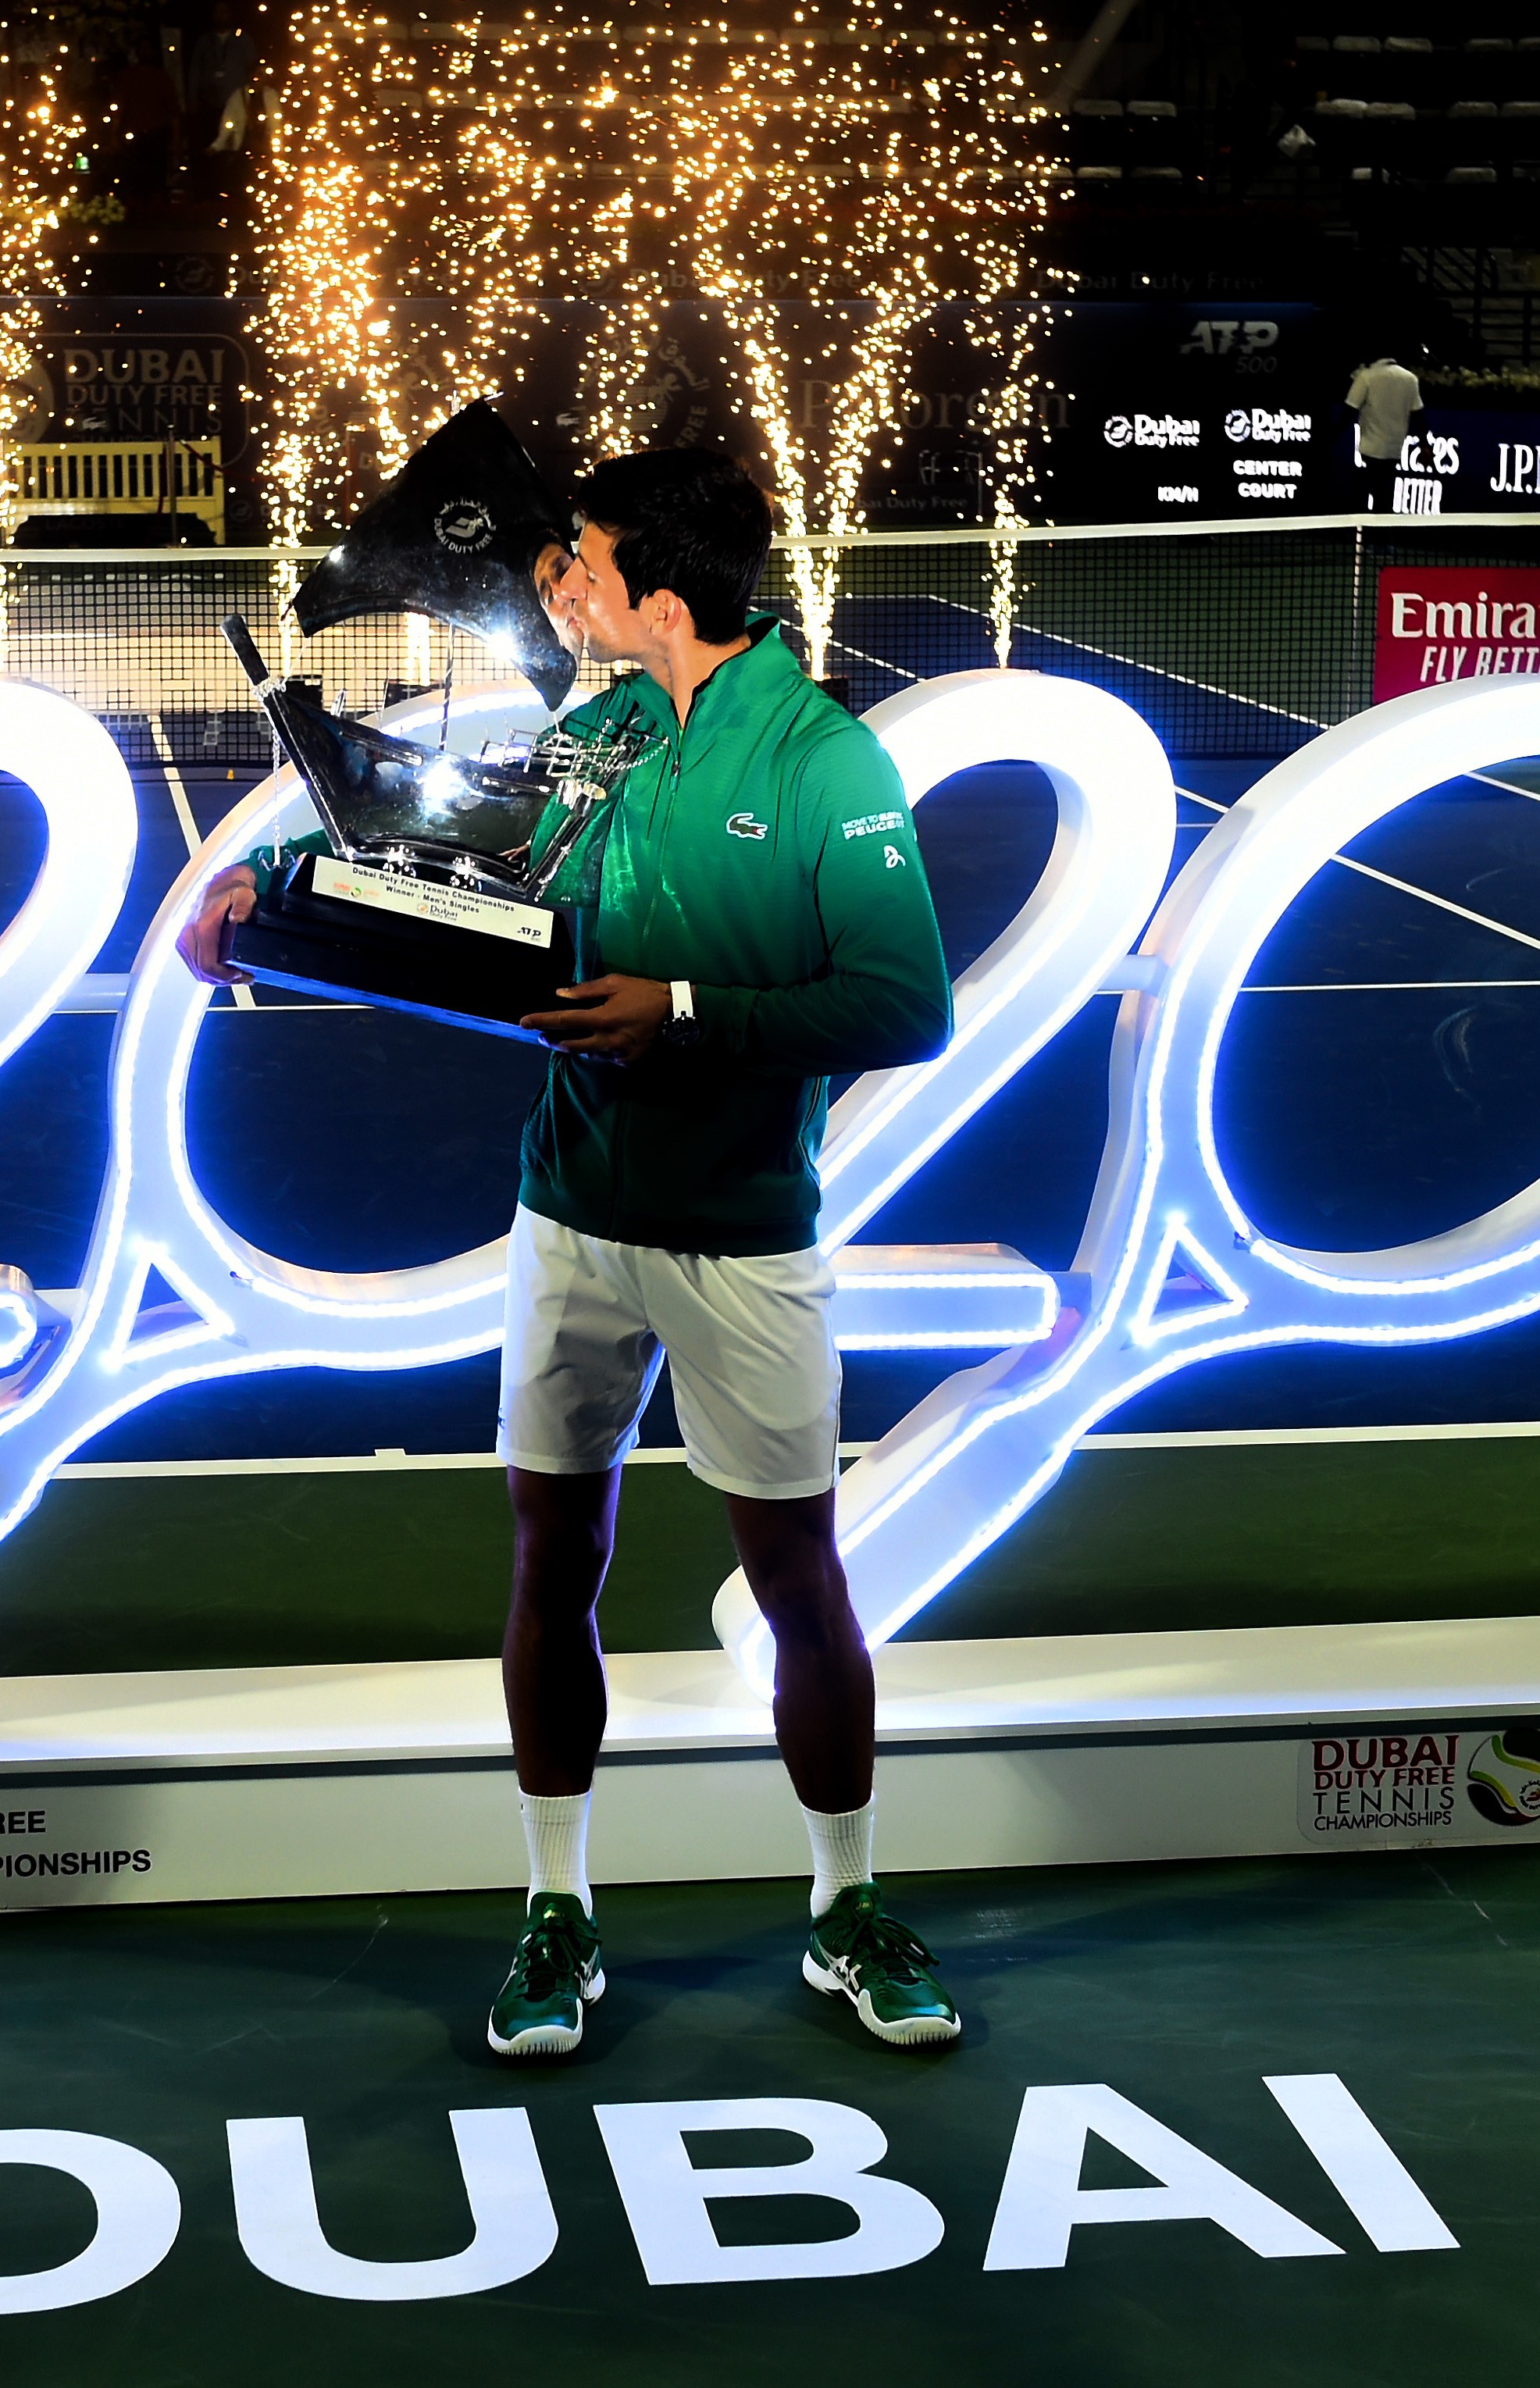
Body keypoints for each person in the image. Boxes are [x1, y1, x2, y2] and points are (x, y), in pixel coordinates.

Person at [178, 447, 967, 2058]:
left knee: (796, 1583)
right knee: (553, 1560)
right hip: (568, 1217)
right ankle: (556, 1906)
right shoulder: (598, 734)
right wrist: (269, 877)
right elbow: (456, 853)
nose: (559, 585)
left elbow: (904, 1002)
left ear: (659, 595)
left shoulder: (824, 763)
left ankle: (844, 1903)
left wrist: (675, 1012)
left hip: (744, 1239)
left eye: (582, 564)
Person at [1343, 348, 1426, 512]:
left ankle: (1360, 533)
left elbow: (1349, 411)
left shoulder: (1366, 377)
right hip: (1394, 450)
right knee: (1385, 498)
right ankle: (1383, 535)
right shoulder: (1410, 379)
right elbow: (1418, 415)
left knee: (1360, 495)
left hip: (1370, 448)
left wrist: (1328, 440)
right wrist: (1425, 446)